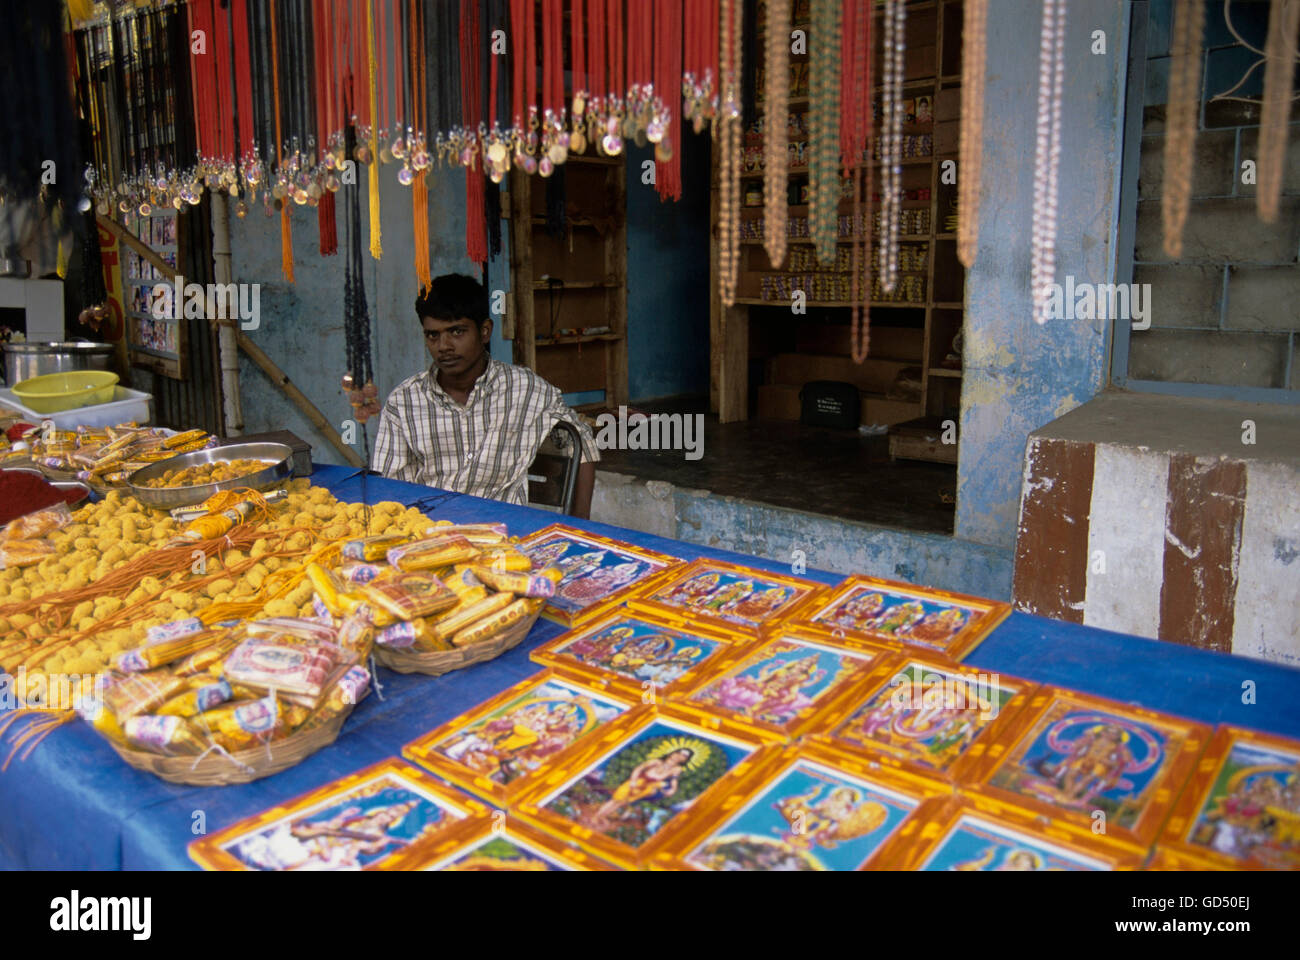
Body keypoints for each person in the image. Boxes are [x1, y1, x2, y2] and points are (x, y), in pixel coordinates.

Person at [372, 274, 601, 517]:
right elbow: (389, 486)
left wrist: (578, 527)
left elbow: (582, 443)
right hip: (430, 535)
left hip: (505, 532)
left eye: (457, 331)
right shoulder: (404, 402)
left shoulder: (526, 390)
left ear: (484, 331)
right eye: (433, 335)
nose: (444, 346)